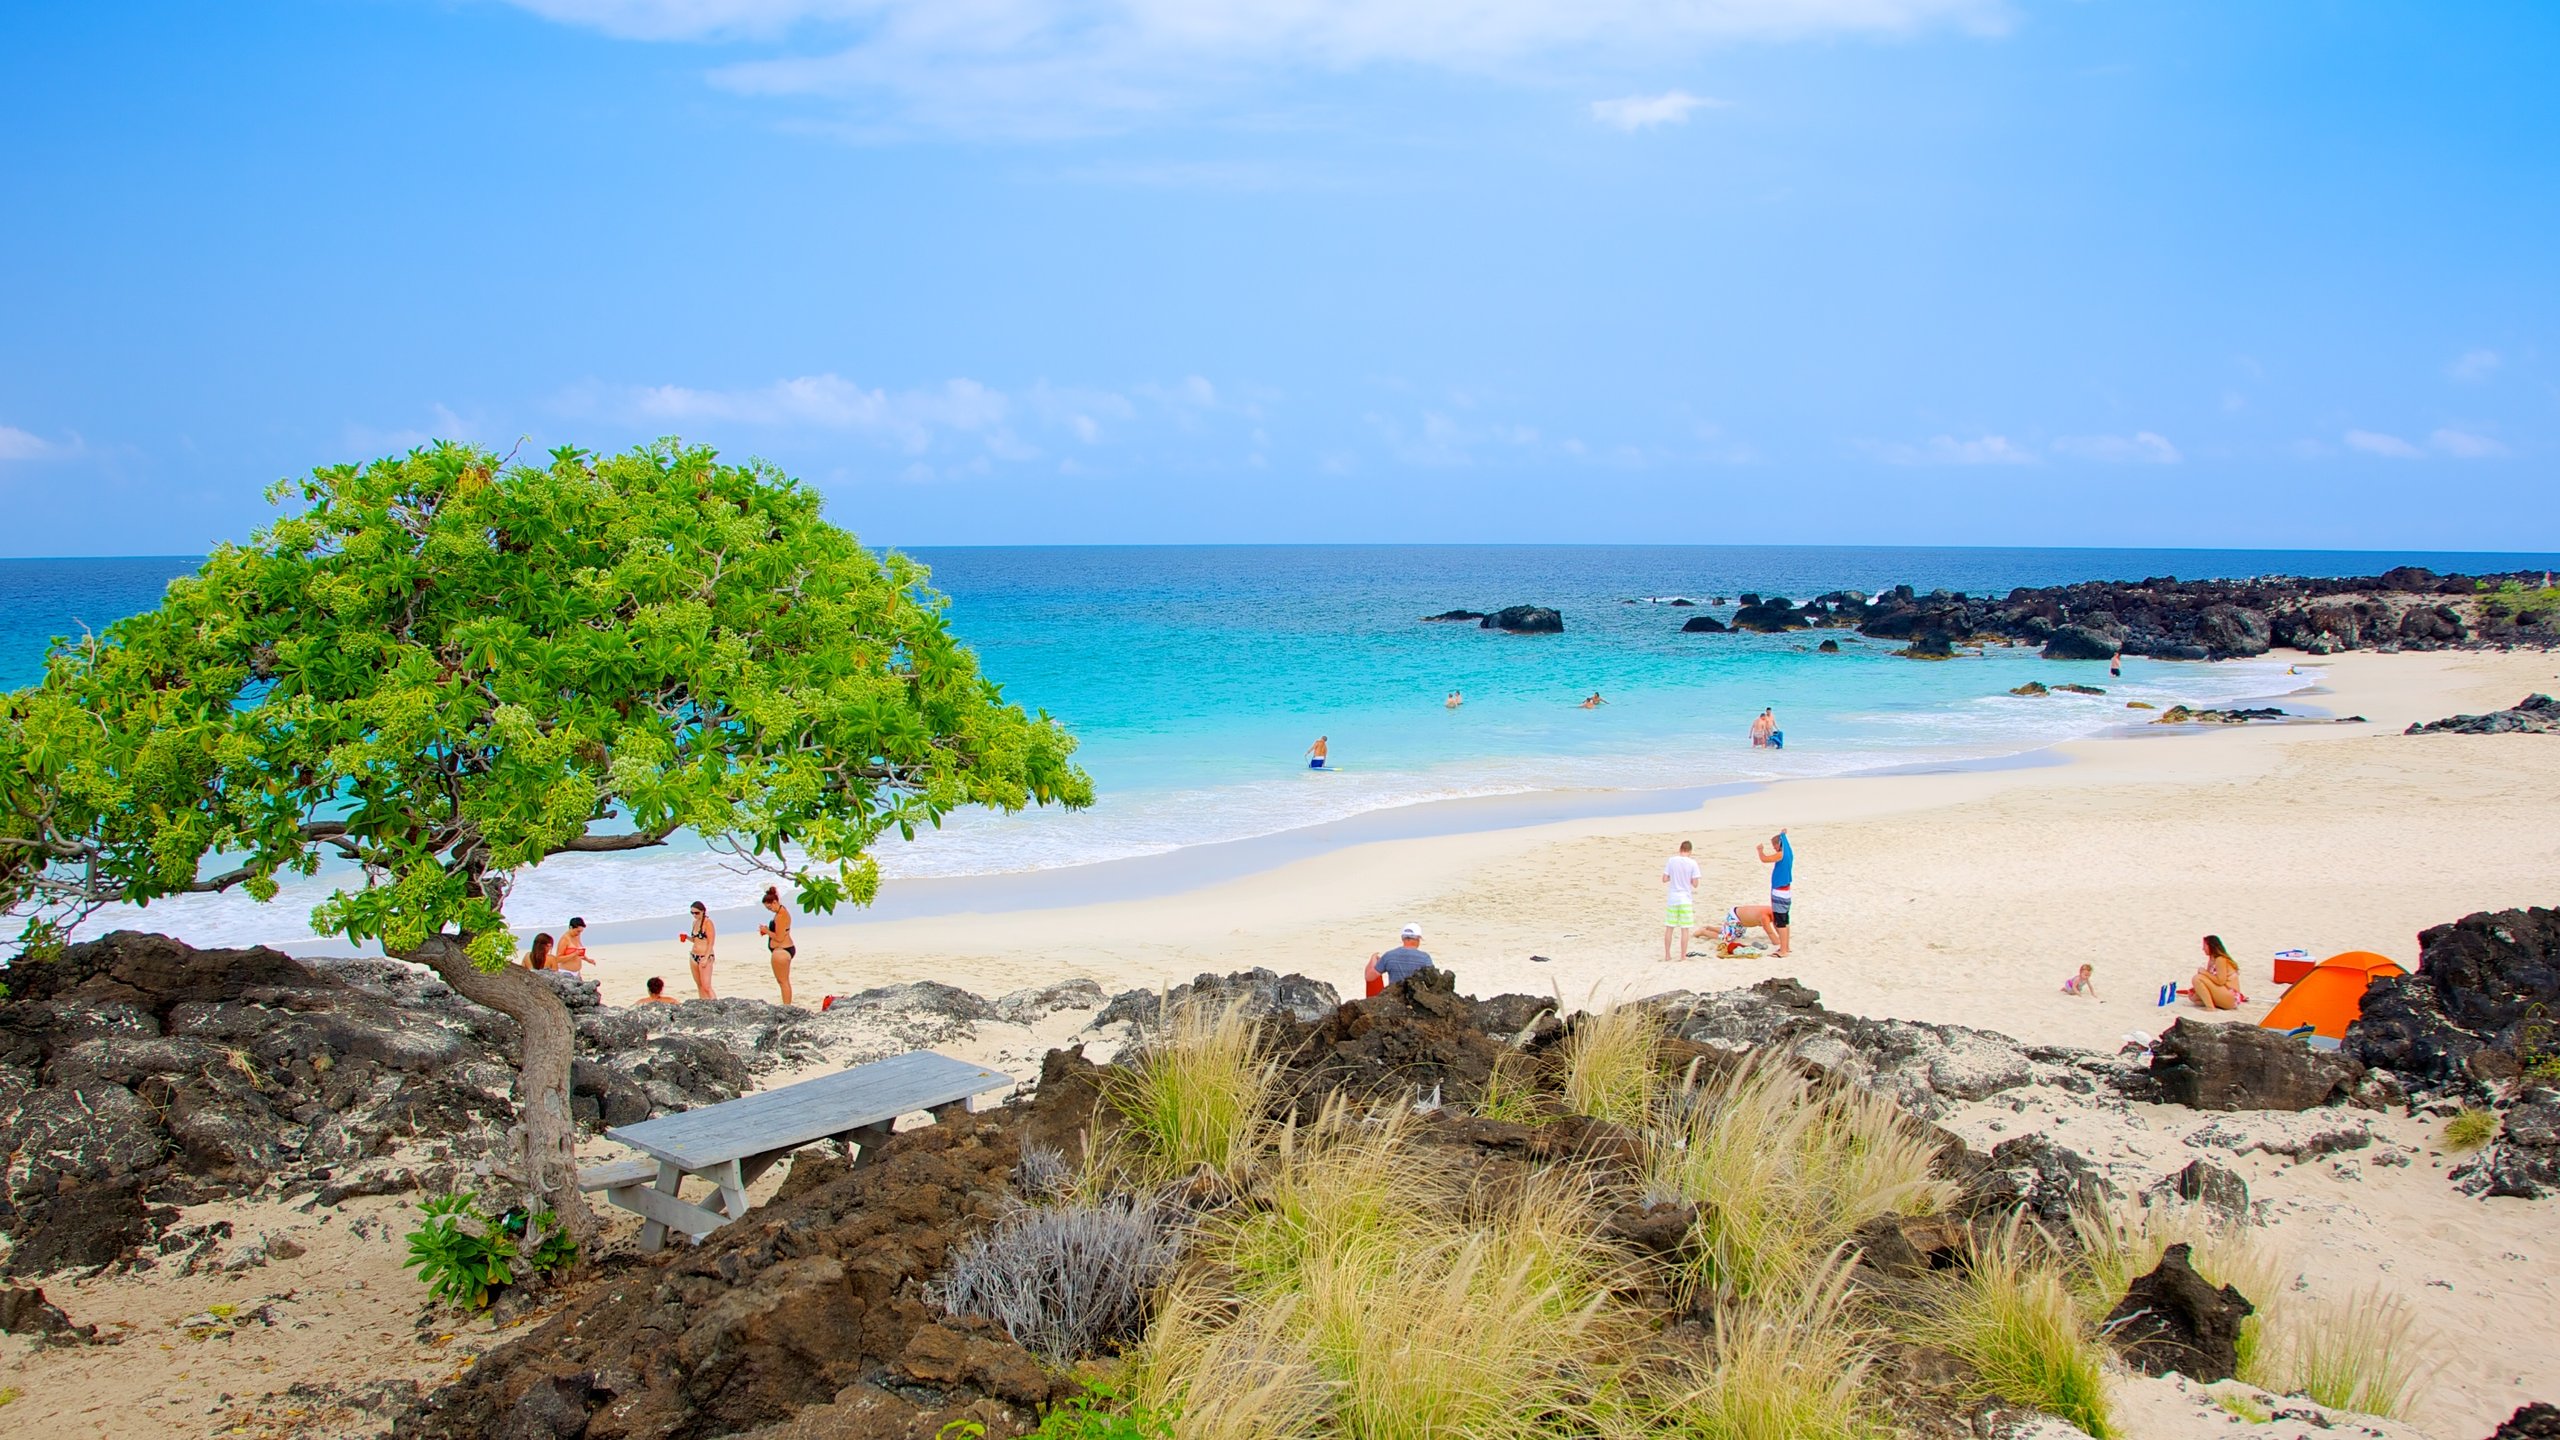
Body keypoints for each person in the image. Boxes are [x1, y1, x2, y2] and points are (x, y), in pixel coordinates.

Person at [1365, 924, 1436, 992]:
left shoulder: (1389, 956)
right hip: (1415, 1000)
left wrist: (1373, 959)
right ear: (1418, 939)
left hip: (1394, 998)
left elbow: (1369, 977)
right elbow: (1432, 981)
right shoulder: (1425, 958)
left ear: (1402, 938)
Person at [1662, 840, 1702, 962]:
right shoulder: (1692, 863)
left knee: (1670, 927)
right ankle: (1682, 956)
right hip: (1685, 899)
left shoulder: (1672, 861)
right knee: (1685, 928)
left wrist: (1673, 877)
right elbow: (1695, 884)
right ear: (1690, 851)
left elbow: (1664, 879)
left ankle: (1667, 955)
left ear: (1680, 849)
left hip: (1673, 898)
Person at [757, 885, 797, 1006]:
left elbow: (779, 937)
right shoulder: (780, 909)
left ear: (774, 902)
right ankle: (786, 1004)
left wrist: (766, 930)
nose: (770, 910)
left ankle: (787, 1005)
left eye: (770, 907)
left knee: (783, 981)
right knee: (782, 981)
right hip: (783, 949)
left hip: (782, 950)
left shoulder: (781, 916)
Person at [1756, 830, 1793, 957]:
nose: (1774, 848)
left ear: (1779, 844)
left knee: (1780, 921)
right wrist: (1783, 834)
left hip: (1780, 892)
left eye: (1774, 846)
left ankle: (1783, 950)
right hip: (1786, 891)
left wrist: (1760, 850)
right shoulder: (1789, 852)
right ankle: (1786, 947)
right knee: (1785, 920)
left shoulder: (1781, 854)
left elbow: (1765, 859)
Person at [2189, 934, 2245, 1010]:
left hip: (2231, 995)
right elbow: (2209, 980)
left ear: (2211, 946)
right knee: (2194, 998)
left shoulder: (2220, 959)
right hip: (2223, 992)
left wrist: (2204, 973)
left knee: (2197, 978)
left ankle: (2210, 1007)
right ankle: (2213, 1004)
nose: (2203, 949)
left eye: (2204, 946)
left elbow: (2220, 981)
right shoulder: (2211, 960)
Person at [677, 900, 716, 999]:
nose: (694, 915)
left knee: (706, 986)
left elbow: (711, 942)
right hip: (694, 956)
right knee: (699, 985)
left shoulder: (708, 923)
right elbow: (696, 940)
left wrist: (706, 957)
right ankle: (703, 1003)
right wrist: (686, 937)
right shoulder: (695, 923)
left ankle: (716, 1004)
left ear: (703, 911)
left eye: (697, 913)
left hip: (705, 956)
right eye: (692, 913)